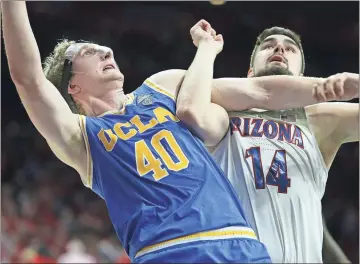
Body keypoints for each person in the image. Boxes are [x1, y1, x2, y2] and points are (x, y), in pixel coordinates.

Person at [2, 2, 350, 263]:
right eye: (90, 53)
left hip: (239, 245)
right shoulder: (81, 138)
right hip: (168, 252)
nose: (106, 51)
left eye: (102, 48)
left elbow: (257, 92)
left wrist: (325, 88)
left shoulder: (162, 86)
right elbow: (29, 79)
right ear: (72, 86)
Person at [177, 21, 359, 263]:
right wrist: (207, 47)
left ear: (301, 77)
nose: (279, 50)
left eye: (290, 48)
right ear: (250, 73)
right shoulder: (222, 114)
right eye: (268, 46)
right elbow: (190, 110)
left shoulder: (320, 119)